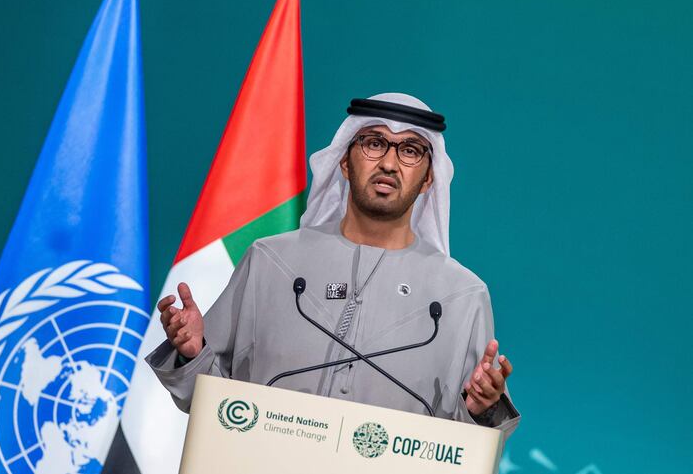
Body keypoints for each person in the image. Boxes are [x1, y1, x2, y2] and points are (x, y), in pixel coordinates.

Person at [146, 93, 520, 439]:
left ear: (428, 180)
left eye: (410, 150)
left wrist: (482, 411)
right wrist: (191, 353)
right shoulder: (271, 260)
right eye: (374, 144)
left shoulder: (462, 295)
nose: (389, 163)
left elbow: (461, 449)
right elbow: (214, 406)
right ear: (344, 160)